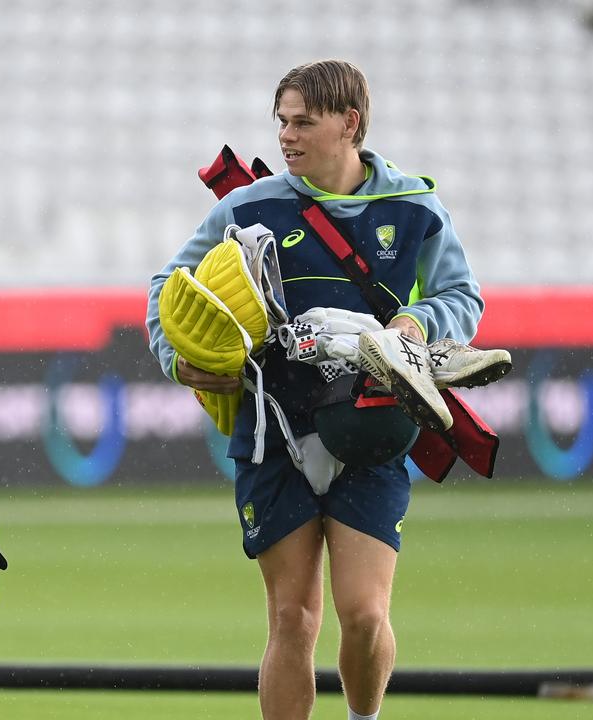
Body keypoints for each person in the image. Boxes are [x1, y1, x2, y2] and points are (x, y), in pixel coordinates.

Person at [147, 60, 488, 720]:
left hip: (374, 426)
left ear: (349, 124)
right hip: (273, 432)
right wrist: (176, 359)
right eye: (282, 122)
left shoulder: (413, 207)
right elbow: (166, 287)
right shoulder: (248, 205)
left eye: (303, 122)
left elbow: (462, 296)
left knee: (363, 615)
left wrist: (416, 320)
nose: (286, 136)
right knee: (293, 619)